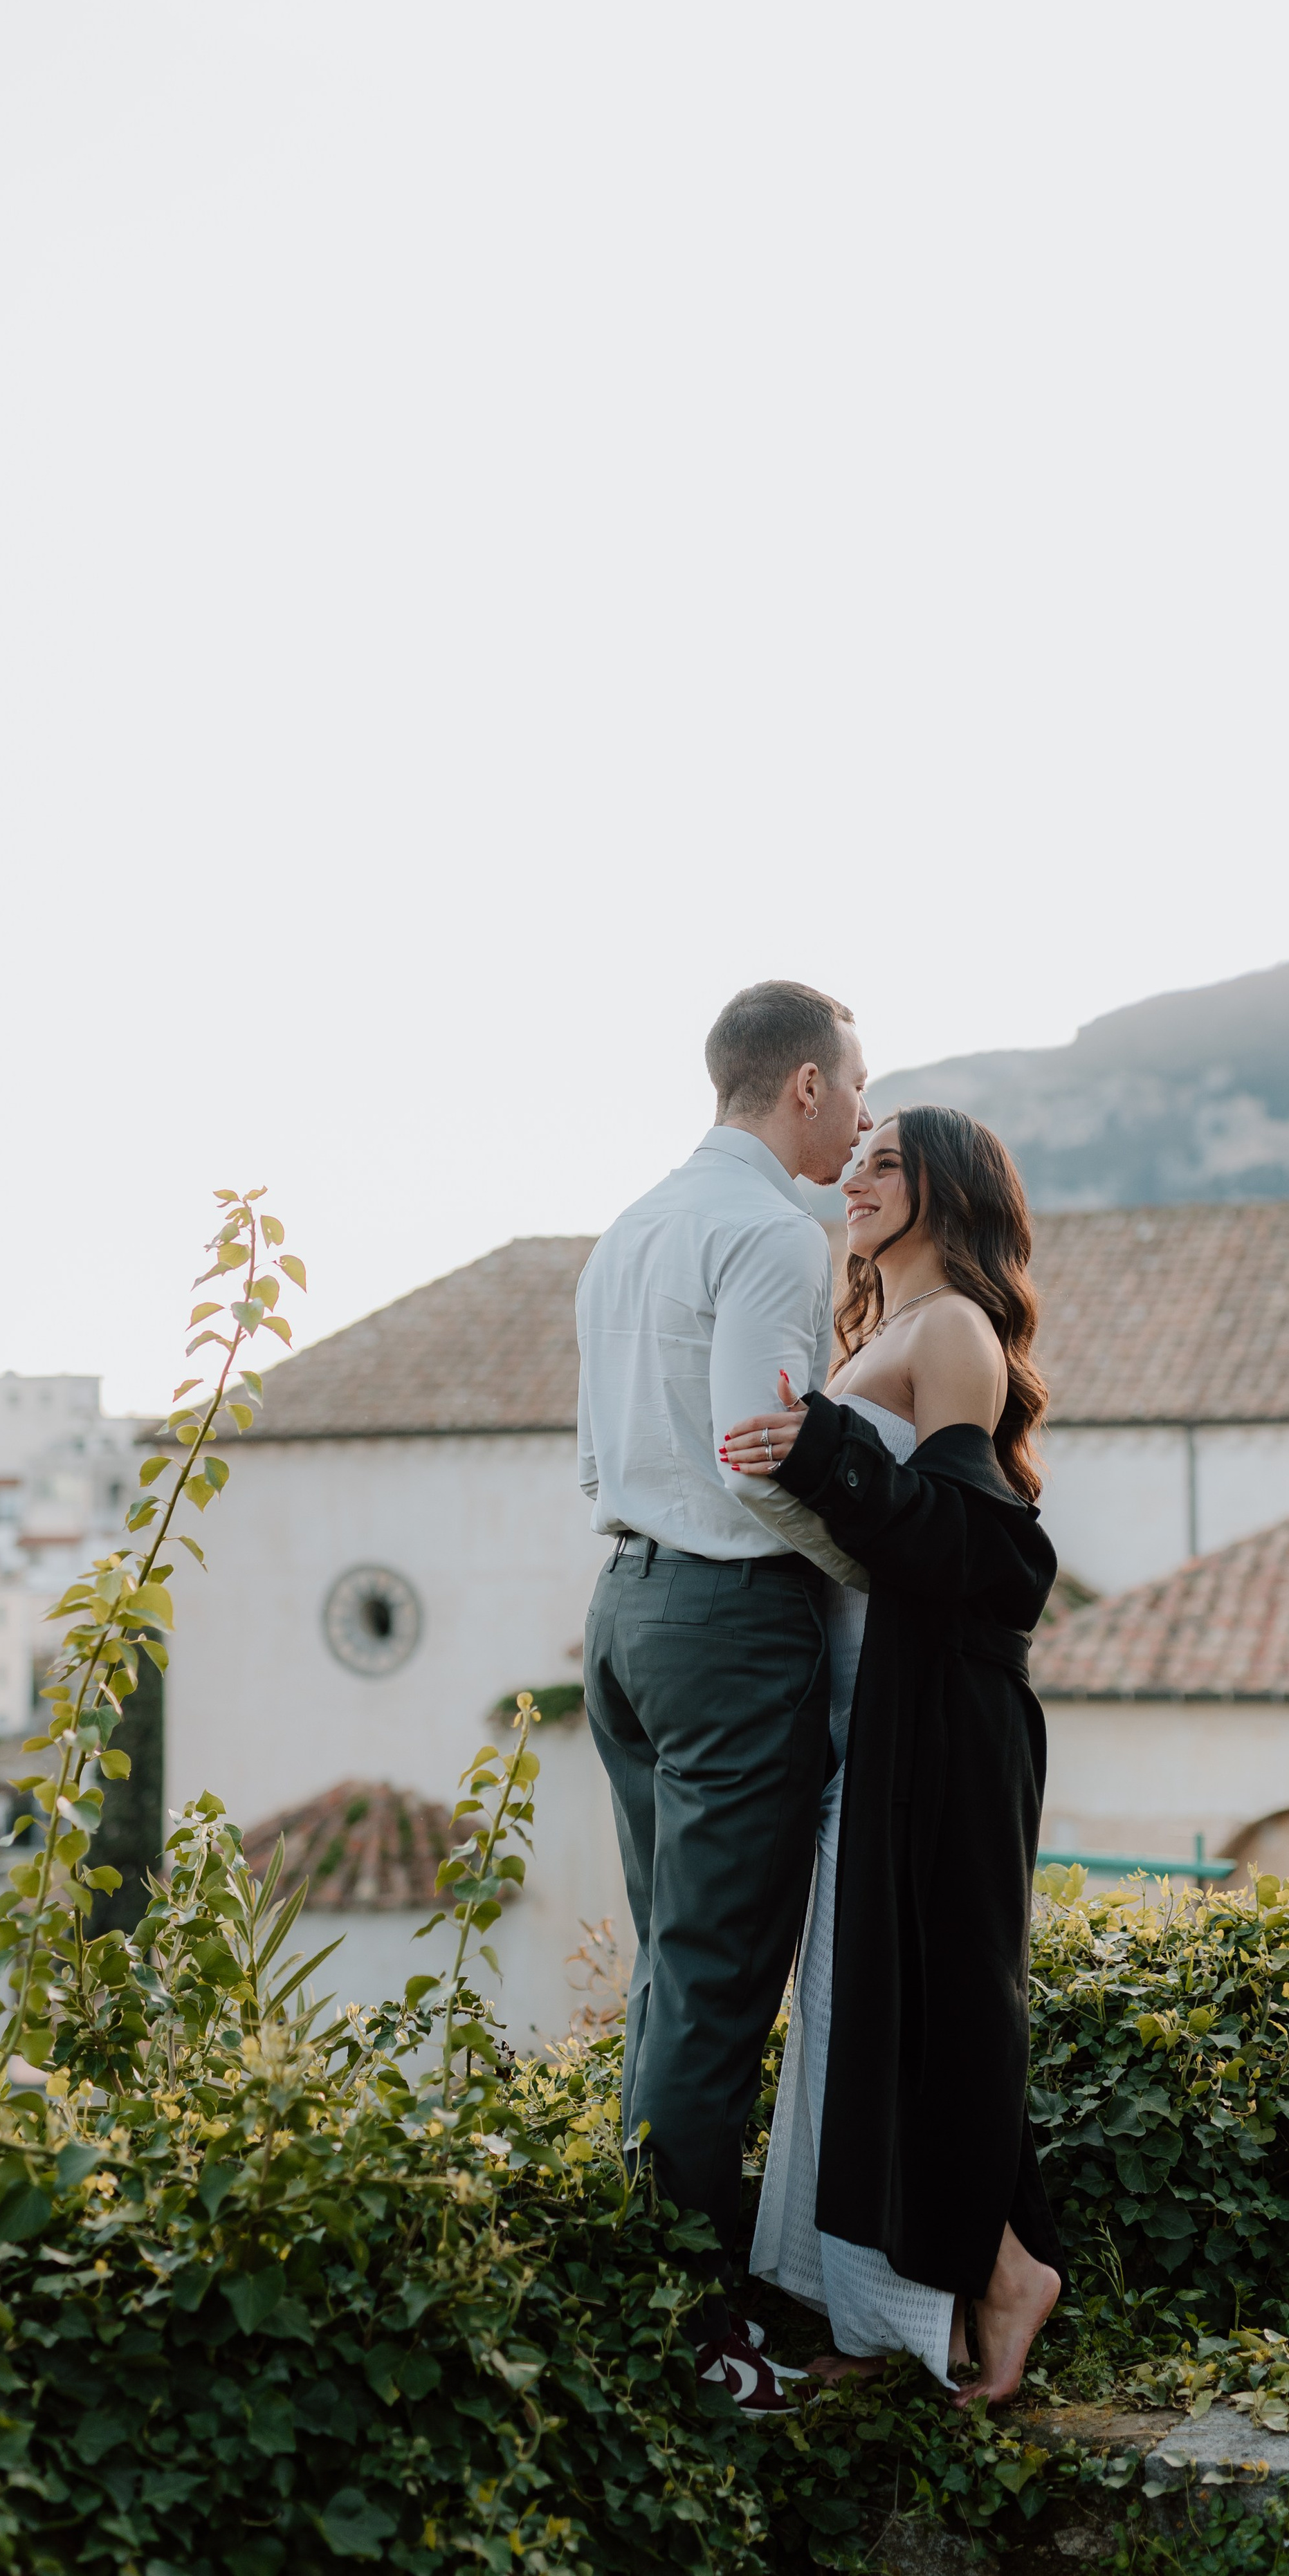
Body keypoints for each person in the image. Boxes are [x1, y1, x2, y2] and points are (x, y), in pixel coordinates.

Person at [726, 1104, 1067, 2405]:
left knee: (941, 2004)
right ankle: (902, 2310)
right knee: (867, 2004)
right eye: (854, 1163)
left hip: (946, 1719)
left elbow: (983, 1555)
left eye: (884, 1166)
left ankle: (1006, 2273)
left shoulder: (955, 1330)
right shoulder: (879, 1334)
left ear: (948, 1187)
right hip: (874, 1716)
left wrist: (820, 1453)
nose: (855, 1183)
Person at [577, 979, 872, 2413]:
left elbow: (601, 1456)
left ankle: (637, 2283)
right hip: (729, 1623)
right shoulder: (770, 1233)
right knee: (714, 1989)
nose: (864, 1117)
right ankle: (693, 2342)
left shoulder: (628, 1231)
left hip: (623, 1613)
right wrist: (868, 1570)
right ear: (805, 1084)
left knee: (668, 1970)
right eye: (856, 1086)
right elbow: (764, 1457)